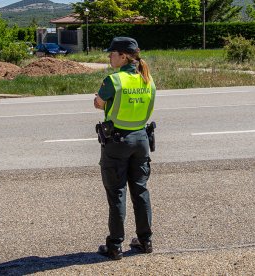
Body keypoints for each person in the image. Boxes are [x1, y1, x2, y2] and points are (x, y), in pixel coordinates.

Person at [94, 37, 156, 260]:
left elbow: (98, 103)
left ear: (124, 56)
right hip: (141, 140)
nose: (109, 57)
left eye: (112, 53)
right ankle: (145, 240)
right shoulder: (147, 79)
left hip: (117, 142)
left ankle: (115, 245)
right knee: (140, 190)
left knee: (117, 192)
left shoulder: (114, 80)